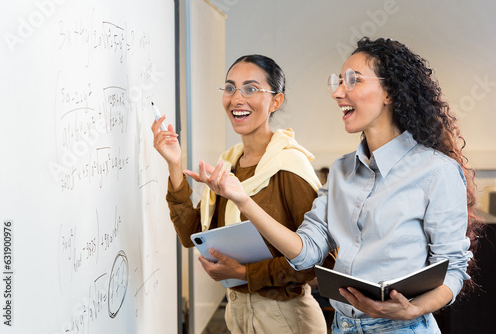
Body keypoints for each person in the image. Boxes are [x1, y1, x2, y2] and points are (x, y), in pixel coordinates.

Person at [185, 37, 483, 333]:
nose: (338, 92)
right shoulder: (342, 170)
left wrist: (413, 309)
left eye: (353, 81)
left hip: (402, 328)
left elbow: (453, 269)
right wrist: (242, 200)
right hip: (342, 326)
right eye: (338, 82)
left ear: (389, 92)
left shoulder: (436, 171)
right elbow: (305, 254)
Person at [152, 54, 333, 333]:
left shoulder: (290, 166)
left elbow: (318, 263)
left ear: (276, 101)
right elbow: (191, 233)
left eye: (250, 89)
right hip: (238, 313)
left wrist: (243, 273)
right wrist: (174, 163)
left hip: (286, 318)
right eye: (230, 88)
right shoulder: (229, 164)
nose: (236, 99)